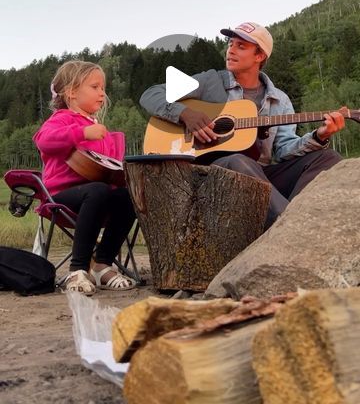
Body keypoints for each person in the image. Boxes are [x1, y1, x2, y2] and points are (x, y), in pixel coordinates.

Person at [140, 22, 345, 228]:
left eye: (241, 46)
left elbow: (284, 150)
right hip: (212, 174)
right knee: (239, 161)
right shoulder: (210, 81)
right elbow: (150, 94)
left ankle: (290, 214)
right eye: (230, 44)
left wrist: (320, 135)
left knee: (328, 158)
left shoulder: (279, 100)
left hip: (261, 176)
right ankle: (291, 227)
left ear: (259, 56)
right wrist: (185, 113)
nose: (231, 50)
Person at [33, 60, 136, 295]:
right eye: (95, 87)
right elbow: (43, 140)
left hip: (96, 196)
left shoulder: (99, 128)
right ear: (71, 92)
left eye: (103, 88)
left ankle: (102, 265)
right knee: (98, 190)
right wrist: (81, 132)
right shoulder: (61, 119)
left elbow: (107, 168)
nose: (102, 93)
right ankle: (78, 269)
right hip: (60, 197)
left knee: (125, 195)